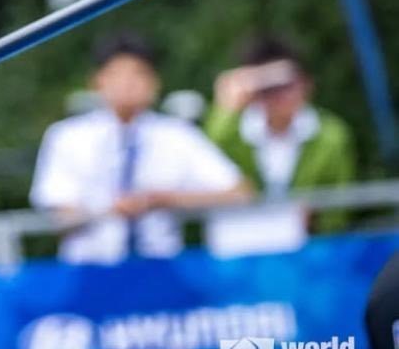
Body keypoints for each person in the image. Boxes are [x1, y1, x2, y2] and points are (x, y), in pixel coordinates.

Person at [29, 31, 251, 265]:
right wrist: (108, 211)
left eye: (138, 73)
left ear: (155, 82)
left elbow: (239, 193)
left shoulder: (177, 135)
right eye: (117, 74)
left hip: (160, 268)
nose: (127, 83)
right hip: (90, 269)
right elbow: (58, 214)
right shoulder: (67, 137)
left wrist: (165, 200)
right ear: (97, 82)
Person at [204, 35, 357, 252]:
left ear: (306, 83)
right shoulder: (231, 131)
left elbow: (338, 208)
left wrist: (316, 225)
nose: (280, 95)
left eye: (287, 84)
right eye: (268, 87)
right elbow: (206, 158)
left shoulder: (330, 135)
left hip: (308, 250)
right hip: (242, 251)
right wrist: (225, 107)